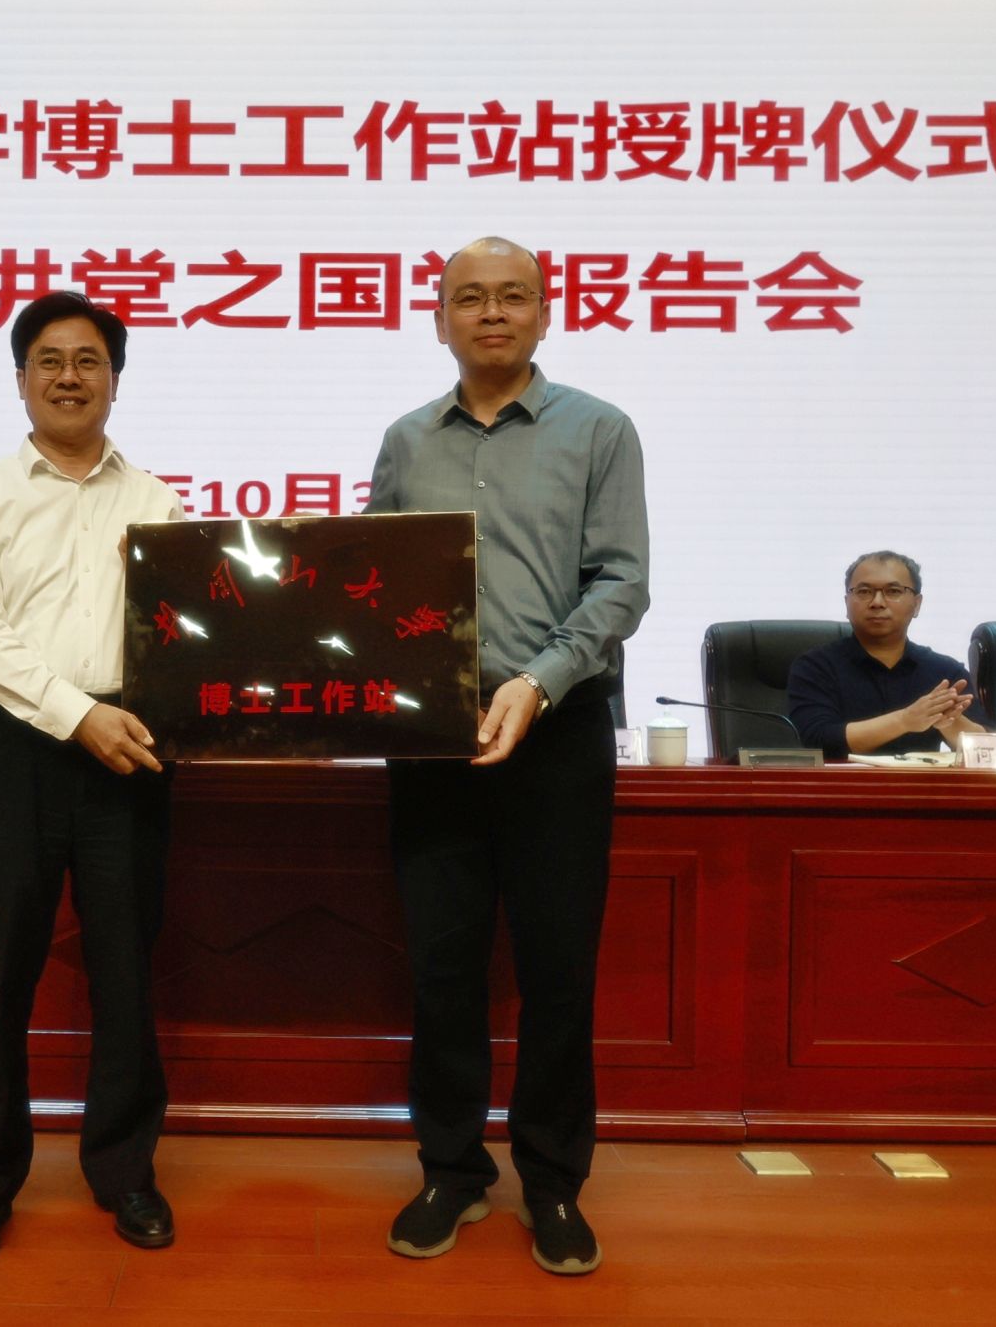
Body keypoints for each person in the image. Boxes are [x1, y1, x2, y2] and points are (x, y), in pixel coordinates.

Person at [365, 236, 649, 1276]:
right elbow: (372, 580)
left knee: (556, 968)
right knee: (441, 965)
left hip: (557, 725)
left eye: (513, 296)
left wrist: (538, 679)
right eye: (470, 298)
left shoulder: (598, 429)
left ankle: (553, 1180)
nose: (492, 313)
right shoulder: (406, 440)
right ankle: (450, 1168)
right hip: (433, 733)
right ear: (438, 318)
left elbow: (621, 582)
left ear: (544, 312)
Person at [0, 291, 186, 1271]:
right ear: (21, 379)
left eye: (88, 360)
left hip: (132, 745)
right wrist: (76, 713)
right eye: (50, 360)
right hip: (20, 751)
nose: (69, 377)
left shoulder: (156, 502)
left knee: (125, 968)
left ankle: (125, 1170)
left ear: (114, 379)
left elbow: (183, 632)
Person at [785, 551, 986, 760]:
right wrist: (905, 720)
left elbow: (986, 750)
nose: (877, 602)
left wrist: (949, 719)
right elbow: (817, 742)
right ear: (847, 603)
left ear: (917, 604)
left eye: (893, 591)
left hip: (921, 780)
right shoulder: (815, 667)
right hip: (843, 780)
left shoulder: (945, 672)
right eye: (864, 591)